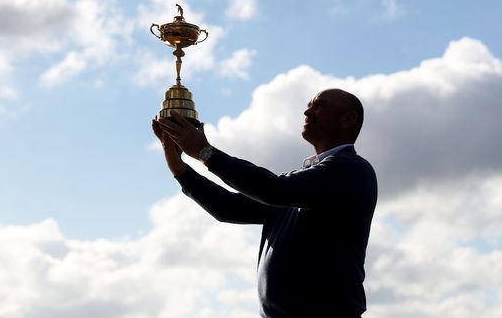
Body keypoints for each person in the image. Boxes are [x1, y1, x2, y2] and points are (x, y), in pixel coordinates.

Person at [152, 88, 377, 318]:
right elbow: (228, 207)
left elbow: (273, 189)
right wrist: (179, 168)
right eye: (310, 105)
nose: (307, 111)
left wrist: (205, 153)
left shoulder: (351, 169)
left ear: (348, 119)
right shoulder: (302, 184)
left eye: (320, 106)